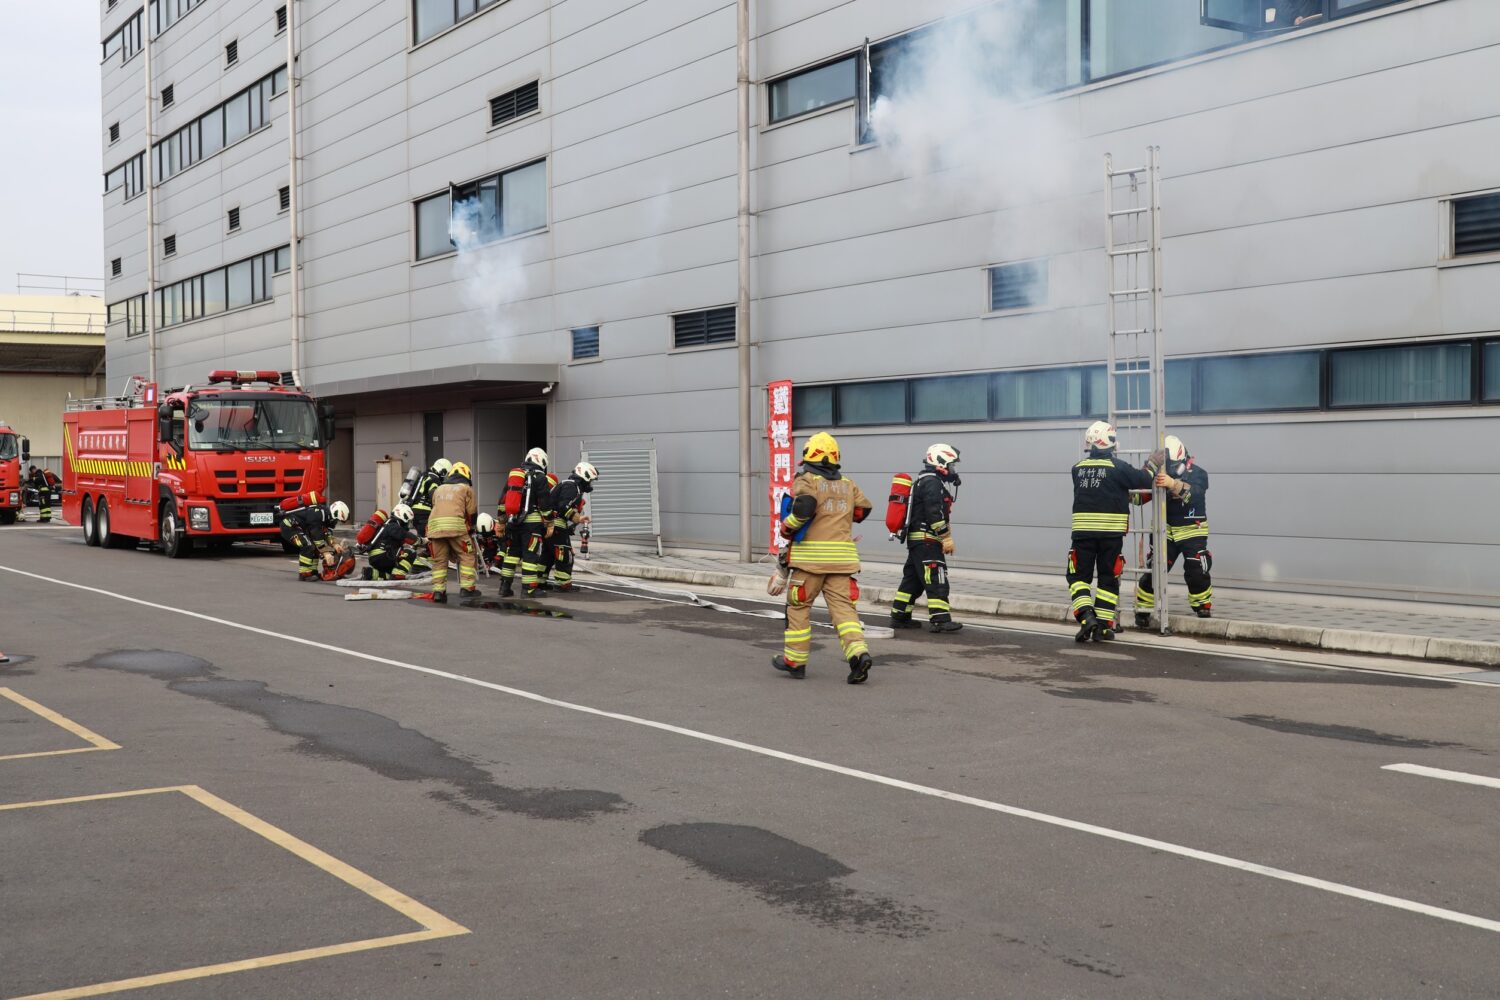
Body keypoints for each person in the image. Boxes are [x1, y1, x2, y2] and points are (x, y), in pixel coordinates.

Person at [771, 432, 876, 684]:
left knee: (798, 608)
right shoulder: (848, 483)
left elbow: (804, 507)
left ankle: (795, 662)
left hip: (810, 563)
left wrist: (788, 525)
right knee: (844, 612)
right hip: (842, 562)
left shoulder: (806, 479)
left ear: (808, 456)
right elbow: (863, 510)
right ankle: (858, 655)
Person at [1067, 421, 1154, 642]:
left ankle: (1087, 617)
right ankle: (1104, 627)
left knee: (1078, 577)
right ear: (1111, 443)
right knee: (1108, 578)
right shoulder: (1119, 468)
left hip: (1083, 535)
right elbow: (1144, 479)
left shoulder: (1077, 469)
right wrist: (1152, 464)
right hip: (1111, 536)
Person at [1133, 435, 1212, 625]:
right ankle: (1143, 608)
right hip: (1164, 531)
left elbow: (1194, 494)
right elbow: (1138, 499)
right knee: (1155, 570)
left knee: (1196, 568)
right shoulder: (1157, 472)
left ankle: (1202, 604)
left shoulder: (1198, 473)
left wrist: (1172, 484)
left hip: (1192, 530)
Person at [890, 443, 963, 634]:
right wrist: (946, 537)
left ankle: (900, 616)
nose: (953, 469)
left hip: (918, 540)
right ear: (941, 463)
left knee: (912, 581)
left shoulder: (923, 480)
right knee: (936, 578)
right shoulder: (932, 482)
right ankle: (940, 620)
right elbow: (934, 513)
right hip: (928, 540)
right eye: (951, 465)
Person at [498, 447, 552, 598]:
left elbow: (502, 501)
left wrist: (501, 522)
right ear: (541, 461)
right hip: (532, 525)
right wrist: (549, 523)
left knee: (511, 554)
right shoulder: (540, 477)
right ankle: (528, 589)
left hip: (513, 522)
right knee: (530, 556)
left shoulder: (516, 475)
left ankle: (504, 587)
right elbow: (545, 504)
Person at [427, 462, 478, 604]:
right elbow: (472, 512)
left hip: (435, 528)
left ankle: (439, 592)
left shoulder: (439, 489)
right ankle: (467, 589)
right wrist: (472, 528)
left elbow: (436, 507)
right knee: (467, 556)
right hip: (456, 528)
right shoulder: (466, 489)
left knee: (439, 560)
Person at [544, 462, 598, 592]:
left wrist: (575, 521)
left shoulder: (568, 485)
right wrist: (578, 518)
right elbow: (563, 507)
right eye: (590, 480)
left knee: (547, 555)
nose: (590, 483)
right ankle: (563, 584)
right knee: (565, 555)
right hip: (556, 525)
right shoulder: (571, 486)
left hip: (549, 524)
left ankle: (540, 581)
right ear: (584, 477)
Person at [279, 491, 349, 581]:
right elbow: (317, 536)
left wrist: (335, 544)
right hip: (289, 527)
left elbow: (325, 533)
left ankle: (312, 571)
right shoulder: (318, 514)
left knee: (315, 547)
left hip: (297, 527)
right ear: (335, 515)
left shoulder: (324, 515)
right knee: (307, 545)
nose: (336, 523)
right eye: (337, 520)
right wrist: (326, 553)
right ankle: (304, 573)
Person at [364, 503, 420, 581]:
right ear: (403, 516)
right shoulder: (393, 525)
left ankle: (370, 573)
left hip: (375, 558)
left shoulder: (387, 524)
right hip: (383, 556)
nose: (408, 524)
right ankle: (398, 575)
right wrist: (420, 541)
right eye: (408, 521)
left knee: (390, 574)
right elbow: (405, 535)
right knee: (411, 552)